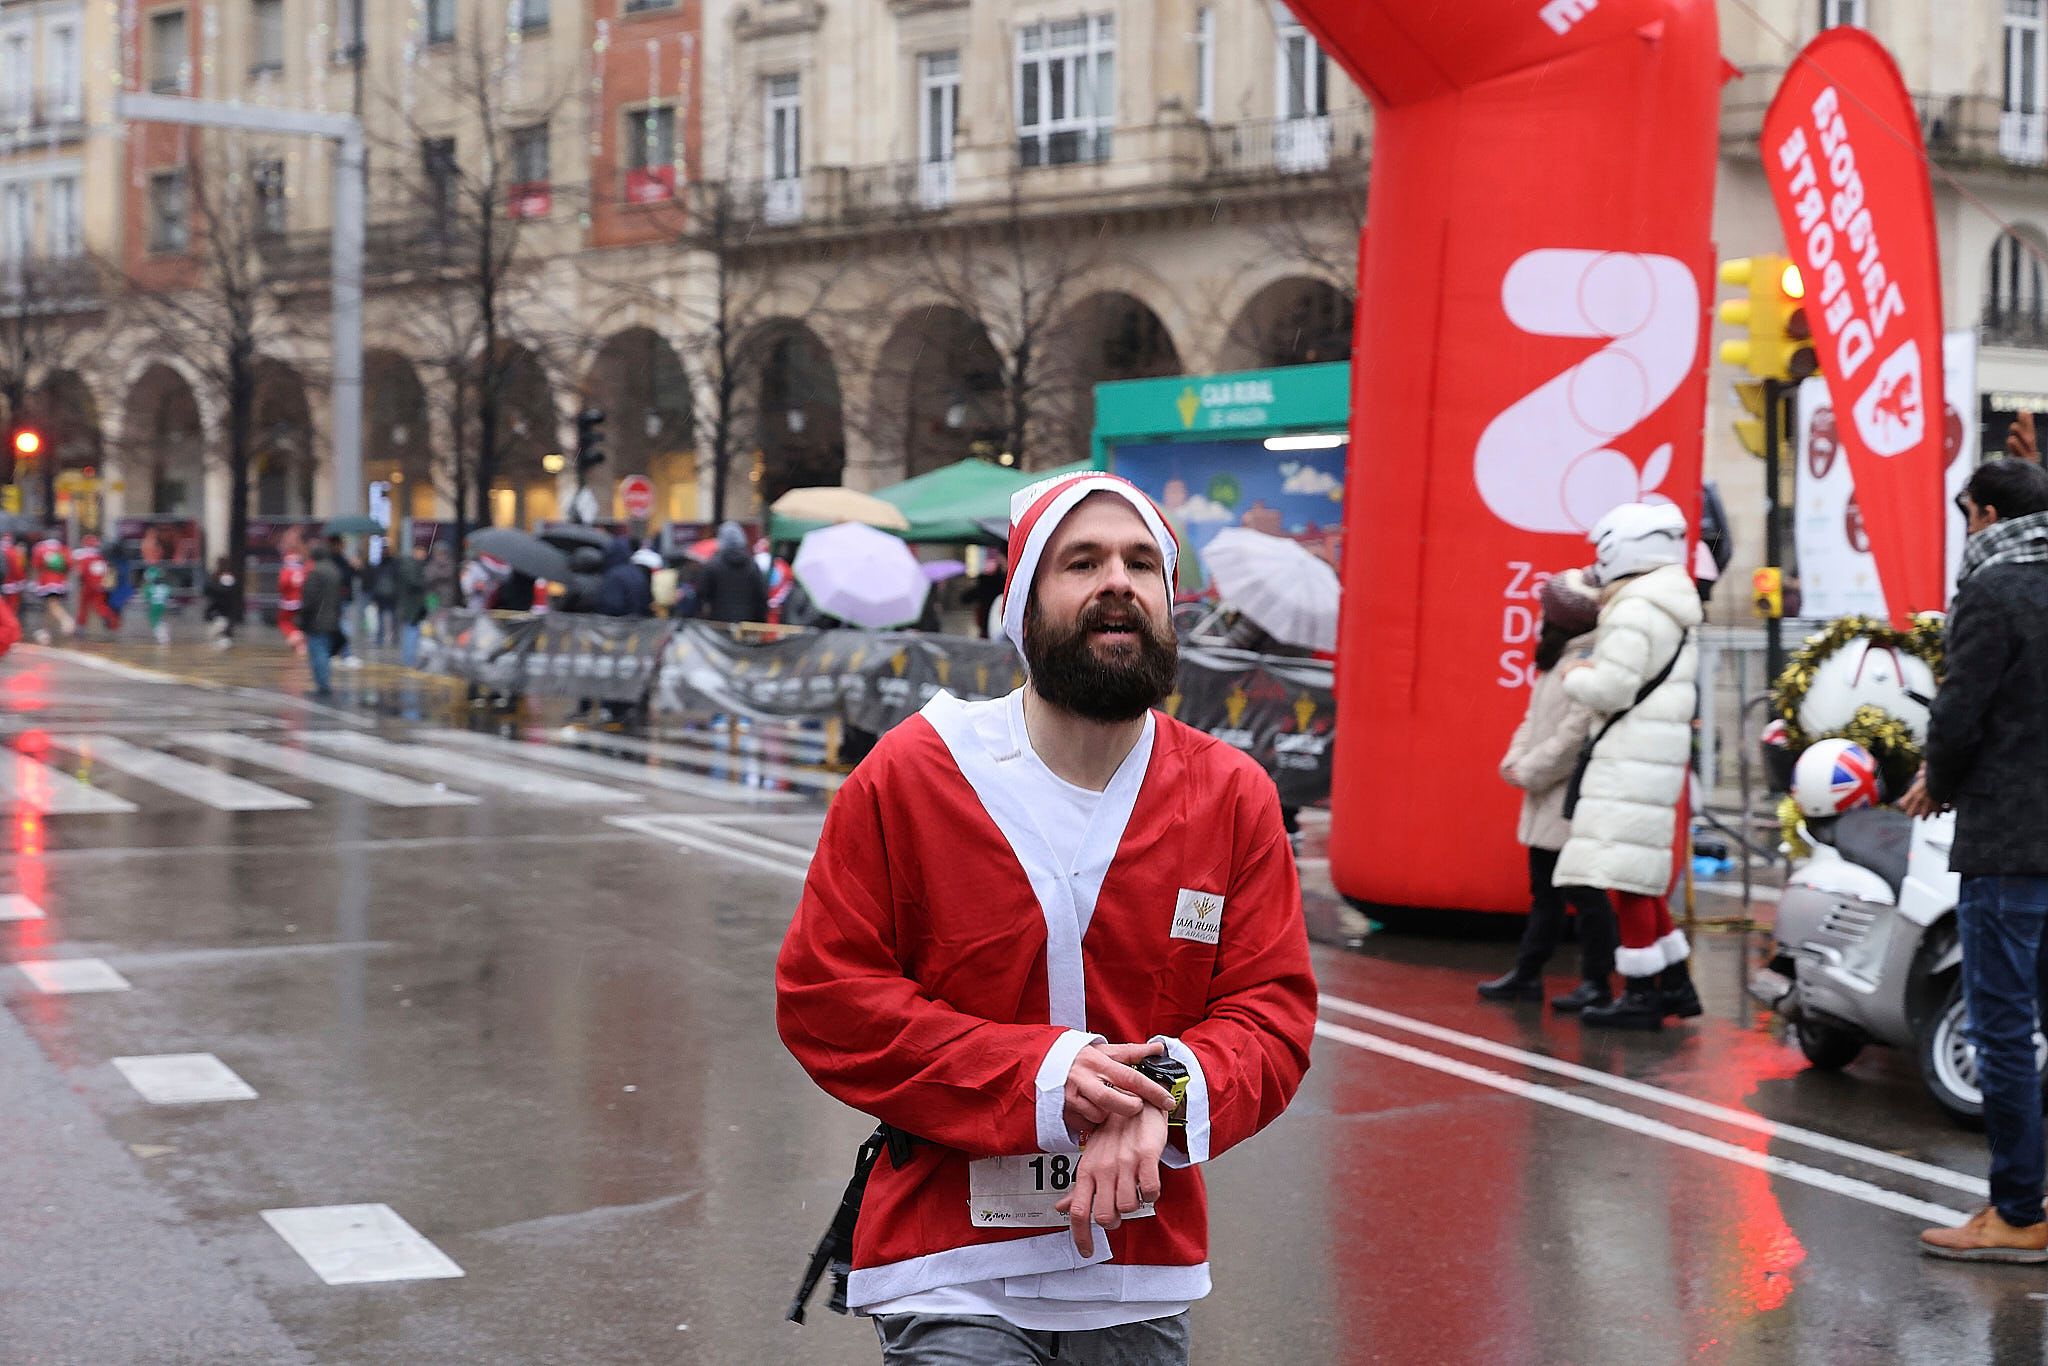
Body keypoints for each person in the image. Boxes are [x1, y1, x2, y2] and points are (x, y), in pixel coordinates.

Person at [777, 472, 1317, 1365]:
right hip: (947, 1260)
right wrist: (1044, 1076)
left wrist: (1163, 1101)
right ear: (1022, 603)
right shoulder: (913, 775)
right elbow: (827, 997)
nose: (1119, 581)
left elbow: (1270, 1019)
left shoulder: (1231, 797)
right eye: (1083, 561)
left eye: (1143, 562)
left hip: (1136, 1270)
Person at [1902, 458, 2048, 1263]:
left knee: (2001, 1026)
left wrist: (1937, 782)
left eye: (1967, 516)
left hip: (2011, 837)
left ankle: (2019, 1213)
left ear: (1986, 515)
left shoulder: (1993, 589)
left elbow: (1959, 714)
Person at [1555, 502, 1704, 1031]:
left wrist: (1574, 673)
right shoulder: (1670, 603)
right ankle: (1673, 983)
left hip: (1626, 760)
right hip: (1650, 758)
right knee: (1638, 877)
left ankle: (1642, 994)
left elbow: (1612, 688)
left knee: (1625, 878)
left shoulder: (1633, 607)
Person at [1477, 568, 1620, 1012]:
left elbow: (1573, 736)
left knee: (1585, 894)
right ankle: (1528, 973)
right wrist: (1515, 761)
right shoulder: (1557, 659)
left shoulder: (1585, 664)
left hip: (1569, 798)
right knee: (1547, 894)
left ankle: (1596, 980)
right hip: (1546, 796)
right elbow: (1534, 721)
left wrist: (1531, 770)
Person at [693, 520, 770, 625]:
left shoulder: (713, 565)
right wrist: (760, 621)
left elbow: (701, 595)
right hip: (747, 626)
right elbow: (762, 596)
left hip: (719, 625)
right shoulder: (752, 566)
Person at [299, 543, 343, 698]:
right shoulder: (335, 571)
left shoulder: (315, 573)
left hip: (317, 619)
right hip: (332, 618)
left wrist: (302, 618)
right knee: (324, 651)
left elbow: (309, 598)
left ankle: (322, 684)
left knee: (318, 652)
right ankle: (323, 683)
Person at [29, 531, 72, 643]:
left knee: (52, 605)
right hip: (60, 582)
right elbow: (69, 565)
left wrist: (34, 582)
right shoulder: (63, 548)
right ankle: (45, 632)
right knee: (50, 607)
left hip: (46, 582)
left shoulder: (40, 548)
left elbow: (36, 566)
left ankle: (66, 620)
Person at [596, 536, 654, 618]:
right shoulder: (638, 573)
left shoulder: (613, 575)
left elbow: (609, 606)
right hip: (639, 623)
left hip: (618, 624)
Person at [73, 534, 120, 635]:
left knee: (83, 606)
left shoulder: (82, 557)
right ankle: (113, 622)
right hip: (100, 586)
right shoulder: (101, 558)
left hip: (88, 586)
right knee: (100, 605)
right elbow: (107, 572)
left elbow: (81, 572)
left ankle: (81, 626)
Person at [394, 543, 430, 669]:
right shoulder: (410, 565)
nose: (424, 555)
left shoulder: (412, 564)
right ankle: (409, 661)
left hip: (413, 606)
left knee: (412, 632)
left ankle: (410, 659)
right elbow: (414, 582)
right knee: (411, 632)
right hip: (411, 606)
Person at [328, 536, 361, 669]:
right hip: (337, 599)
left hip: (342, 598)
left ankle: (335, 654)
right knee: (343, 627)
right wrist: (351, 567)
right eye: (342, 544)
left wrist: (354, 567)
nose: (343, 546)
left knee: (341, 626)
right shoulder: (333, 560)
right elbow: (341, 577)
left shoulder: (342, 560)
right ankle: (345, 654)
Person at [962, 554, 1007, 639]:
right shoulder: (997, 584)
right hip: (991, 624)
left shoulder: (986, 585)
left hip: (988, 624)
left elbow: (966, 598)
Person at [203, 556, 241, 649]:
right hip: (219, 612)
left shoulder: (227, 578)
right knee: (216, 637)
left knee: (220, 637)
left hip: (224, 613)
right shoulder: (215, 577)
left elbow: (225, 592)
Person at [277, 546, 307, 652]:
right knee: (299, 622)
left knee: (284, 622)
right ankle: (300, 644)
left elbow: (282, 585)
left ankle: (295, 637)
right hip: (301, 601)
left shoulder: (286, 571)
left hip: (288, 602)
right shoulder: (303, 570)